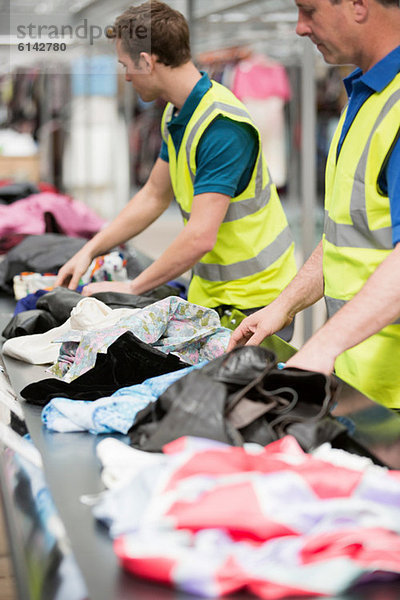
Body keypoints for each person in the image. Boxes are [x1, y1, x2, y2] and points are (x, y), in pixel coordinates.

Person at [55, 0, 297, 340]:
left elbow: (200, 235)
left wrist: (133, 287)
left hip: (255, 303)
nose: (125, 76)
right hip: (215, 294)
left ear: (147, 61)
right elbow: (154, 195)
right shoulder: (178, 112)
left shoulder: (221, 126)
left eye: (126, 65)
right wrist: (90, 249)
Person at [228, 0, 400, 408]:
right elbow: (347, 234)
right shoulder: (365, 98)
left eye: (310, 10)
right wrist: (283, 307)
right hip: (360, 386)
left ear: (358, 6)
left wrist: (323, 345)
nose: (299, 28)